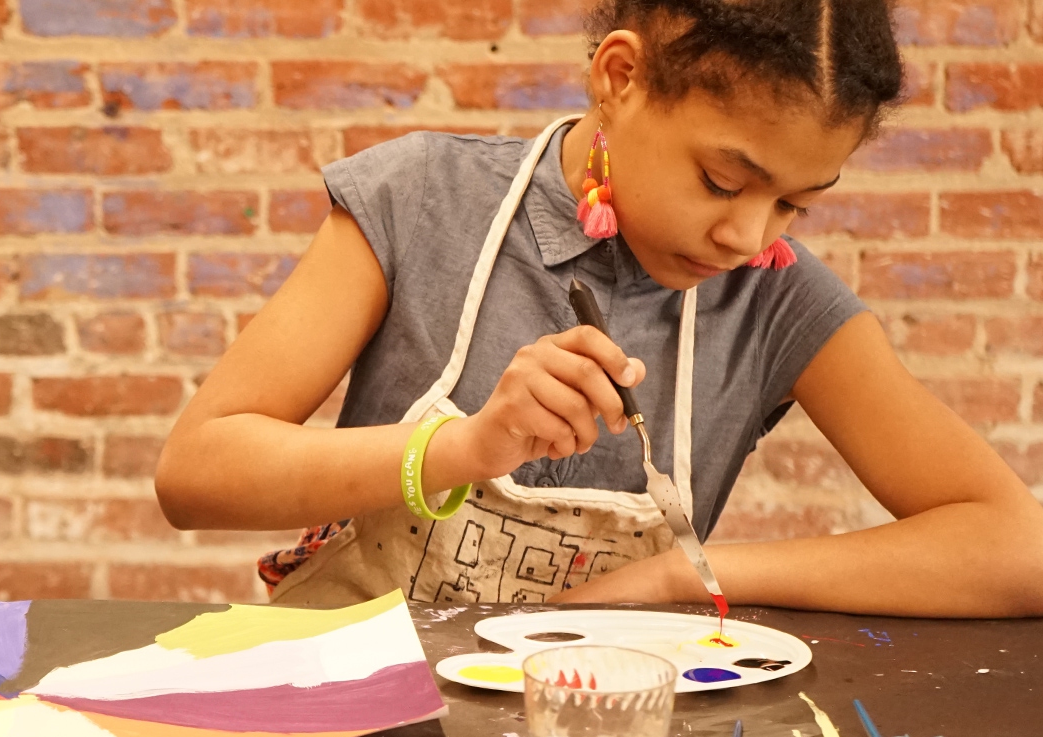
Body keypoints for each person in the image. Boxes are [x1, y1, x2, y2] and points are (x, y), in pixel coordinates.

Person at [156, 0, 1043, 617]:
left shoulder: (778, 301)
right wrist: (462, 447)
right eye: (723, 180)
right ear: (619, 77)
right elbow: (196, 471)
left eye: (792, 204)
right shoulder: (419, 197)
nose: (746, 233)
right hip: (352, 720)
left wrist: (687, 578)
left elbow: (1014, 549)